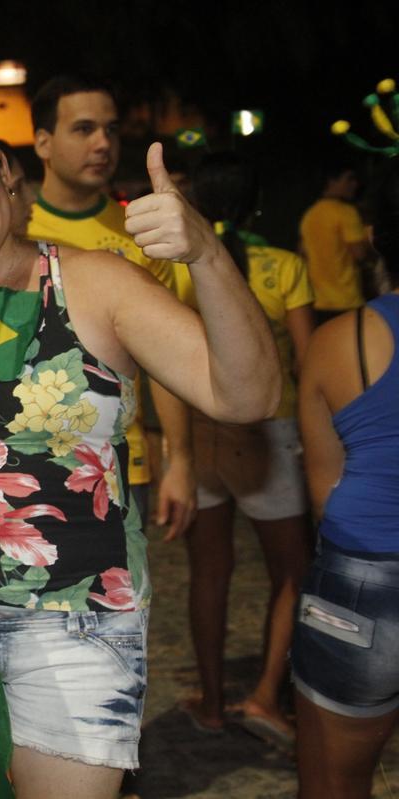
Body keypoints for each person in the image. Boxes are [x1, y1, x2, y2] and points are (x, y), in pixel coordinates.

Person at [0, 108, 279, 798]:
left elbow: (247, 395)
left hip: (76, 620)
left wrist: (206, 255)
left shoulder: (96, 282)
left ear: (4, 172)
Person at [175, 152, 314, 743]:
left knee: (209, 571)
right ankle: (263, 696)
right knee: (294, 573)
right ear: (255, 204)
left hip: (204, 430)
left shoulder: (183, 270)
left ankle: (210, 701)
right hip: (269, 433)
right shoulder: (284, 267)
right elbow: (308, 365)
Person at [25, 75, 196, 538]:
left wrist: (178, 460)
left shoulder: (141, 234)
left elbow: (168, 361)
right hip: (18, 460)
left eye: (111, 130)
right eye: (83, 129)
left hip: (119, 461)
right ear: (43, 142)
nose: (103, 143)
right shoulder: (12, 233)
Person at [294, 160, 399, 799]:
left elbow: (323, 491)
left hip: (364, 579)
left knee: (336, 781)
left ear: (375, 239)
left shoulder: (342, 340)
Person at [300, 158, 373, 325]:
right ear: (332, 181)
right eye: (349, 179)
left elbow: (303, 253)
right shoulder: (346, 213)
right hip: (347, 301)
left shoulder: (310, 214)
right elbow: (359, 254)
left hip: (317, 302)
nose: (355, 184)